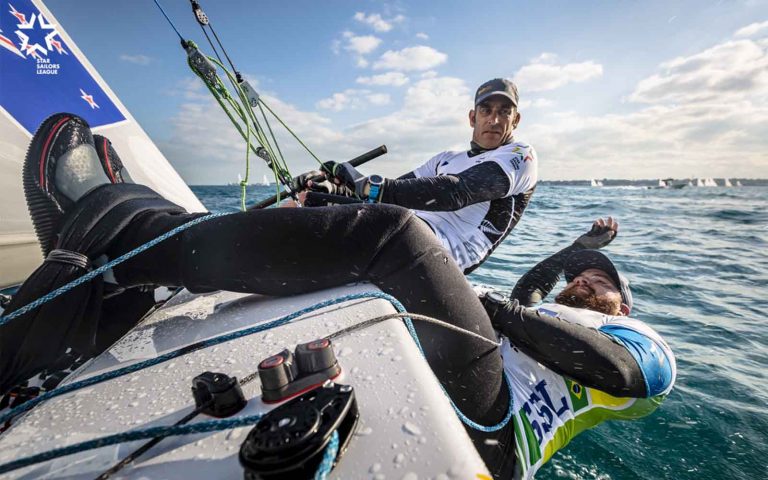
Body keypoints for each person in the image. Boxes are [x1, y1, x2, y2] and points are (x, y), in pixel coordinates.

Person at [475, 238, 677, 479]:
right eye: (578, 278)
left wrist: (495, 307)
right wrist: (579, 246)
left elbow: (622, 370)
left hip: (499, 438)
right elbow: (533, 286)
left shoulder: (623, 330)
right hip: (459, 377)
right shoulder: (532, 317)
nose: (583, 280)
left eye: (601, 281)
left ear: (622, 310)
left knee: (419, 238)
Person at [299, 77, 537, 273]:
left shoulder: (520, 155)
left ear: (515, 120)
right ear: (473, 117)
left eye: (504, 112)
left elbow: (455, 192)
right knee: (312, 202)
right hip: (408, 231)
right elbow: (394, 191)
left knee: (381, 220)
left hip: (443, 257)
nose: (494, 120)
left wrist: (364, 184)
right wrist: (334, 190)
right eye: (486, 110)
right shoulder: (447, 157)